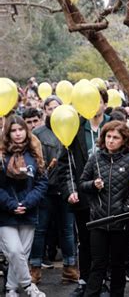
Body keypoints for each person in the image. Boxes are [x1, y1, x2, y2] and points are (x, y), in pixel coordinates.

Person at [79, 120, 129, 297]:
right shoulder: (96, 158)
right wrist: (93, 184)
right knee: (97, 264)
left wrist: (127, 208)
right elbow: (82, 184)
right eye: (108, 136)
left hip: (121, 222)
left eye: (116, 137)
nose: (111, 140)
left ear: (124, 140)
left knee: (118, 264)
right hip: (98, 221)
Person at [57, 89, 110, 297]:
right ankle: (84, 280)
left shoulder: (113, 126)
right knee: (85, 241)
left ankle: (103, 280)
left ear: (105, 103)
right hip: (83, 196)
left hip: (108, 196)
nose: (93, 105)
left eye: (98, 101)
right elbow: (65, 165)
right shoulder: (75, 128)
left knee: (105, 241)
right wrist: (70, 190)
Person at [30, 96, 79, 284]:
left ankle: (70, 268)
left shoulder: (70, 130)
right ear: (45, 111)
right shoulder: (38, 133)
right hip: (44, 190)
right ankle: (35, 268)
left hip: (66, 189)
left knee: (67, 230)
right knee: (39, 229)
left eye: (56, 107)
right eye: (49, 108)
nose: (53, 111)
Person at [0, 116, 47, 297]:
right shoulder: (2, 154)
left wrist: (26, 203)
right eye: (13, 130)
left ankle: (11, 289)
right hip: (6, 213)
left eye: (21, 129)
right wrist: (12, 204)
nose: (18, 133)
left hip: (29, 211)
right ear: (8, 133)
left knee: (21, 254)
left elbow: (42, 182)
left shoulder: (34, 153)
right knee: (14, 250)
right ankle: (28, 285)